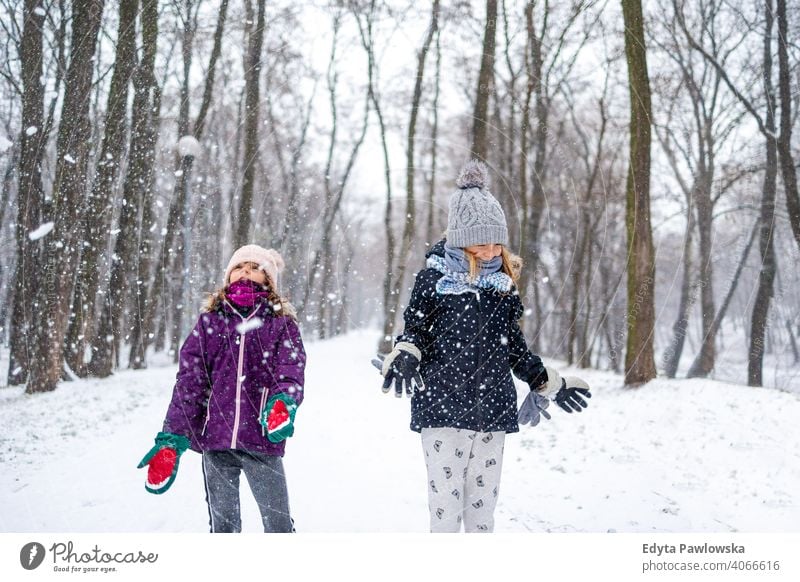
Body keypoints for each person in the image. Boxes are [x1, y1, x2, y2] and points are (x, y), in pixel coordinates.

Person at [375, 160, 591, 533]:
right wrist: (406, 353)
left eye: (497, 242)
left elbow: (515, 351)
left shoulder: (503, 289)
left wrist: (550, 384)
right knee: (445, 506)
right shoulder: (433, 280)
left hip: (492, 410)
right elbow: (415, 331)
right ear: (459, 239)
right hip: (442, 407)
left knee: (482, 512)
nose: (492, 251)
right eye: (481, 242)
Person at [138, 244, 306, 533]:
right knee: (223, 526)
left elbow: (290, 369)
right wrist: (172, 439)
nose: (245, 272)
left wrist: (282, 403)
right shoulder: (210, 323)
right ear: (228, 276)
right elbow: (189, 383)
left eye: (254, 268)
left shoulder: (280, 324)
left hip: (262, 438)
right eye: (240, 267)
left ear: (268, 280)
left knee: (277, 522)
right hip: (216, 441)